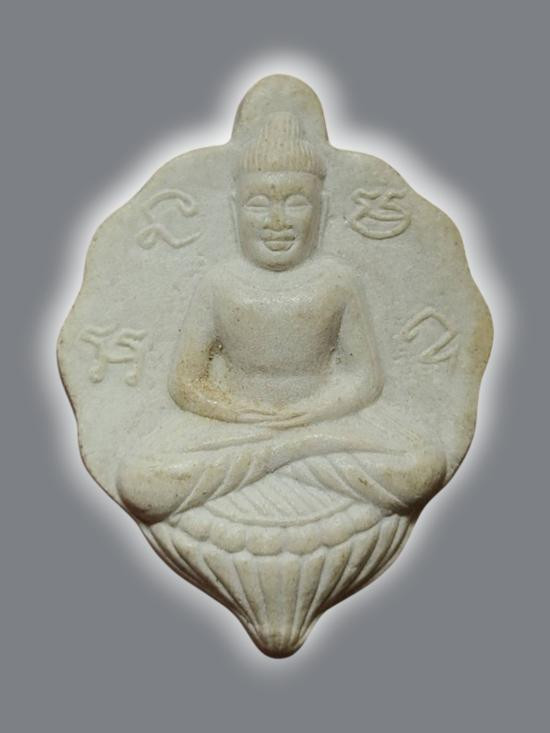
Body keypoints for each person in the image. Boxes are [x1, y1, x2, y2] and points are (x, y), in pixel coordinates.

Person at [118, 112, 445, 524]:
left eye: (296, 202)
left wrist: (314, 413)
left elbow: (364, 377)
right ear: (235, 210)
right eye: (259, 204)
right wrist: (237, 412)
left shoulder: (338, 282)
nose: (277, 221)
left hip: (324, 425)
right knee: (140, 479)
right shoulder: (218, 283)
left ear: (322, 210)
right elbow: (186, 381)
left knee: (421, 465)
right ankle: (289, 456)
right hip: (233, 429)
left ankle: (280, 456)